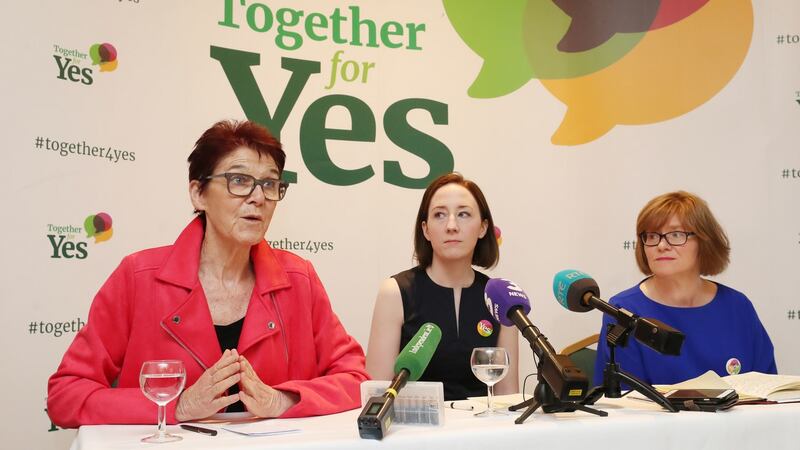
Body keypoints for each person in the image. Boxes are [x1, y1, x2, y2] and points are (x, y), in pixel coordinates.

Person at [47, 120, 368, 428]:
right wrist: (178, 406)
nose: (258, 197)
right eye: (239, 180)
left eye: (269, 184)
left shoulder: (299, 279)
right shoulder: (138, 277)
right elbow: (66, 396)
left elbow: (356, 380)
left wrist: (283, 400)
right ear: (198, 193)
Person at [593, 191, 776, 387]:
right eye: (652, 236)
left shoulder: (737, 307)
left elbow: (767, 389)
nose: (662, 245)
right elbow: (625, 404)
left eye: (676, 234)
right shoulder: (624, 310)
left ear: (704, 241)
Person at [366, 173, 519, 401]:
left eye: (464, 214)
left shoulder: (501, 298)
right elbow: (376, 396)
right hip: (413, 432)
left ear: (483, 227)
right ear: (426, 229)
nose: (451, 226)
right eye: (439, 215)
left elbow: (508, 398)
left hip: (483, 433)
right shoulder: (395, 292)